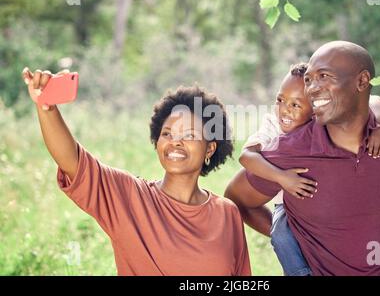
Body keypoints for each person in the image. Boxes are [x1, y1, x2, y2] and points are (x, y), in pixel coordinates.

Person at [225, 41, 380, 276]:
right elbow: (238, 197)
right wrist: (301, 241)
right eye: (308, 80)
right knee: (282, 232)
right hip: (302, 257)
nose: (312, 88)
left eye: (324, 76)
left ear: (362, 81)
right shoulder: (288, 148)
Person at [22, 68, 251, 276]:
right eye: (168, 134)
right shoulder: (129, 196)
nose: (175, 143)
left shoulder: (227, 213)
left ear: (210, 148)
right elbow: (72, 161)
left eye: (189, 135)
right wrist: (47, 108)